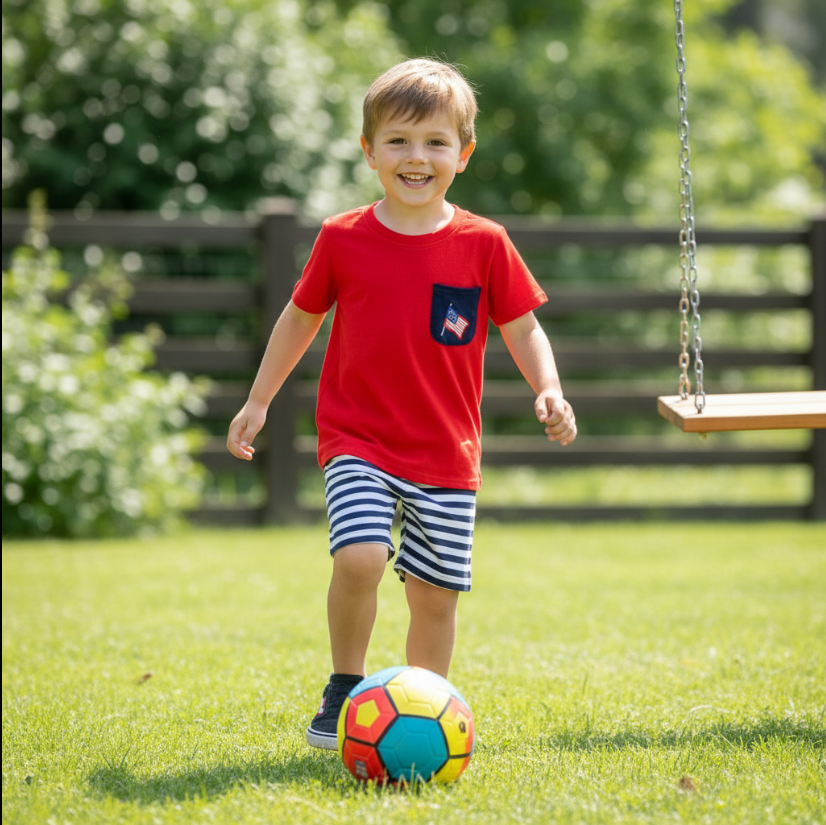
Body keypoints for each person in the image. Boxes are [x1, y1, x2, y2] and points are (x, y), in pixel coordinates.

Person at [226, 58, 577, 750]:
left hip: (447, 451)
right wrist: (258, 400)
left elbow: (523, 325)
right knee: (358, 558)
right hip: (358, 437)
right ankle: (344, 685)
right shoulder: (343, 238)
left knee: (432, 594)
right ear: (369, 152)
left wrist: (549, 387)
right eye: (399, 141)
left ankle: (425, 709)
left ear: (463, 155)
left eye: (436, 142)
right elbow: (300, 319)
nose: (417, 157)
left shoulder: (484, 243)